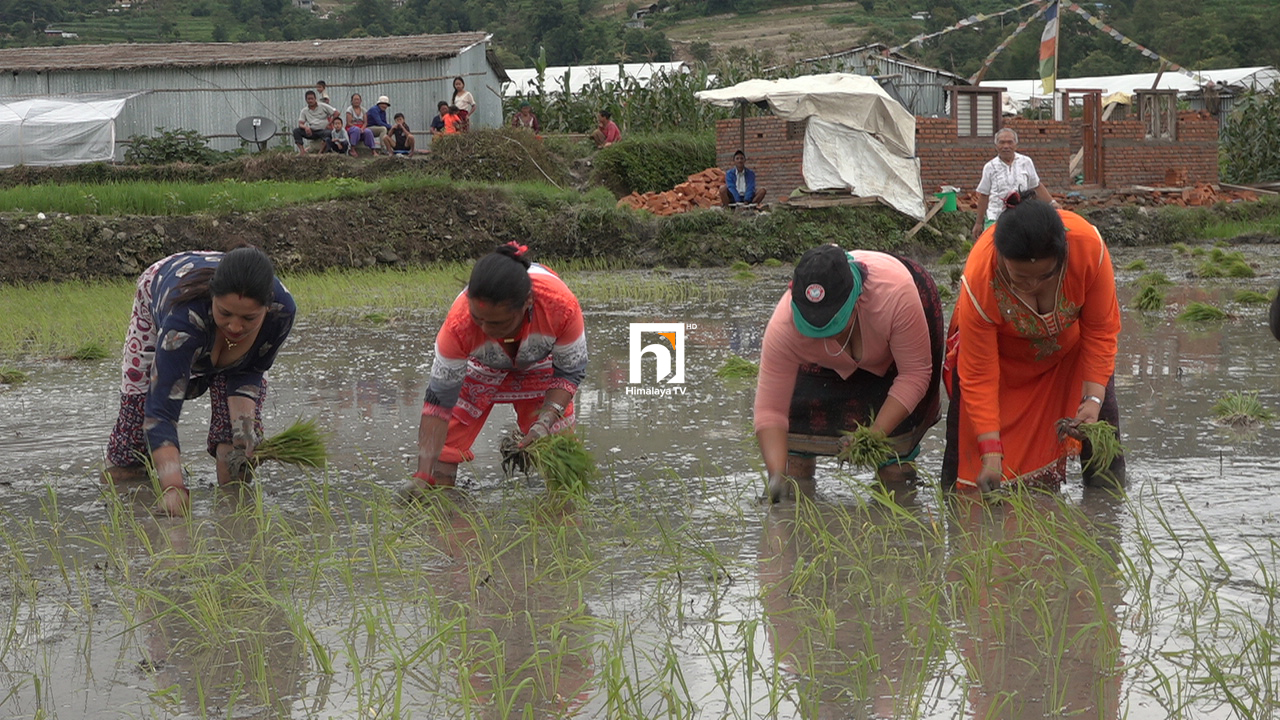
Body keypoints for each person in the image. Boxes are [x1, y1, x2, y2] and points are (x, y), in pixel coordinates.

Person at [941, 192, 1124, 494]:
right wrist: (990, 452)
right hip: (1001, 363)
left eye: (1044, 277)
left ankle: (1105, 517)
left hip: (1071, 354)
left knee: (1103, 446)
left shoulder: (1088, 248)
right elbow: (978, 374)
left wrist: (1092, 400)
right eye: (1020, 279)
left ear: (1063, 255)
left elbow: (1101, 332)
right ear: (1001, 259)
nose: (1032, 286)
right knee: (965, 468)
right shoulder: (980, 275)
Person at [103, 247, 297, 517]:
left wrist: (244, 431)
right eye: (225, 313)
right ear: (212, 297)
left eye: (249, 318)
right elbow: (160, 411)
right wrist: (173, 487)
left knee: (236, 446)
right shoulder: (182, 320)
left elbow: (250, 370)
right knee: (133, 435)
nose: (236, 327)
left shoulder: (282, 313)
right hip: (160, 291)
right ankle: (122, 509)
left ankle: (235, 519)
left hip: (227, 339)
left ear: (267, 308)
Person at [755, 244, 943, 503]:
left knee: (893, 466)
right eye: (814, 328)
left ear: (855, 302)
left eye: (832, 325)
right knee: (794, 462)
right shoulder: (784, 324)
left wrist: (874, 434)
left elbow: (915, 374)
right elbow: (771, 410)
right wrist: (776, 475)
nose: (825, 336)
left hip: (895, 345)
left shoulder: (895, 296)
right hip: (821, 360)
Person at [403, 242, 588, 495]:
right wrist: (423, 475)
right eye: (478, 320)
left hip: (538, 360)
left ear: (527, 303)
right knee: (444, 449)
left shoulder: (560, 307)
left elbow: (569, 371)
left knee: (558, 449)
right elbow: (439, 401)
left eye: (499, 322)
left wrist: (544, 422)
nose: (486, 330)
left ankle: (560, 517)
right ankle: (445, 520)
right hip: (481, 363)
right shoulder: (460, 324)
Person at [972, 127, 1056, 239]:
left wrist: (1052, 203)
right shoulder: (990, 167)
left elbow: (1036, 186)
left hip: (1023, 216)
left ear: (1016, 145)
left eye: (1010, 142)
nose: (1006, 146)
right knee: (992, 249)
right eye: (1002, 142)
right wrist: (978, 223)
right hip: (996, 217)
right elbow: (984, 195)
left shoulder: (1026, 162)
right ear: (996, 146)